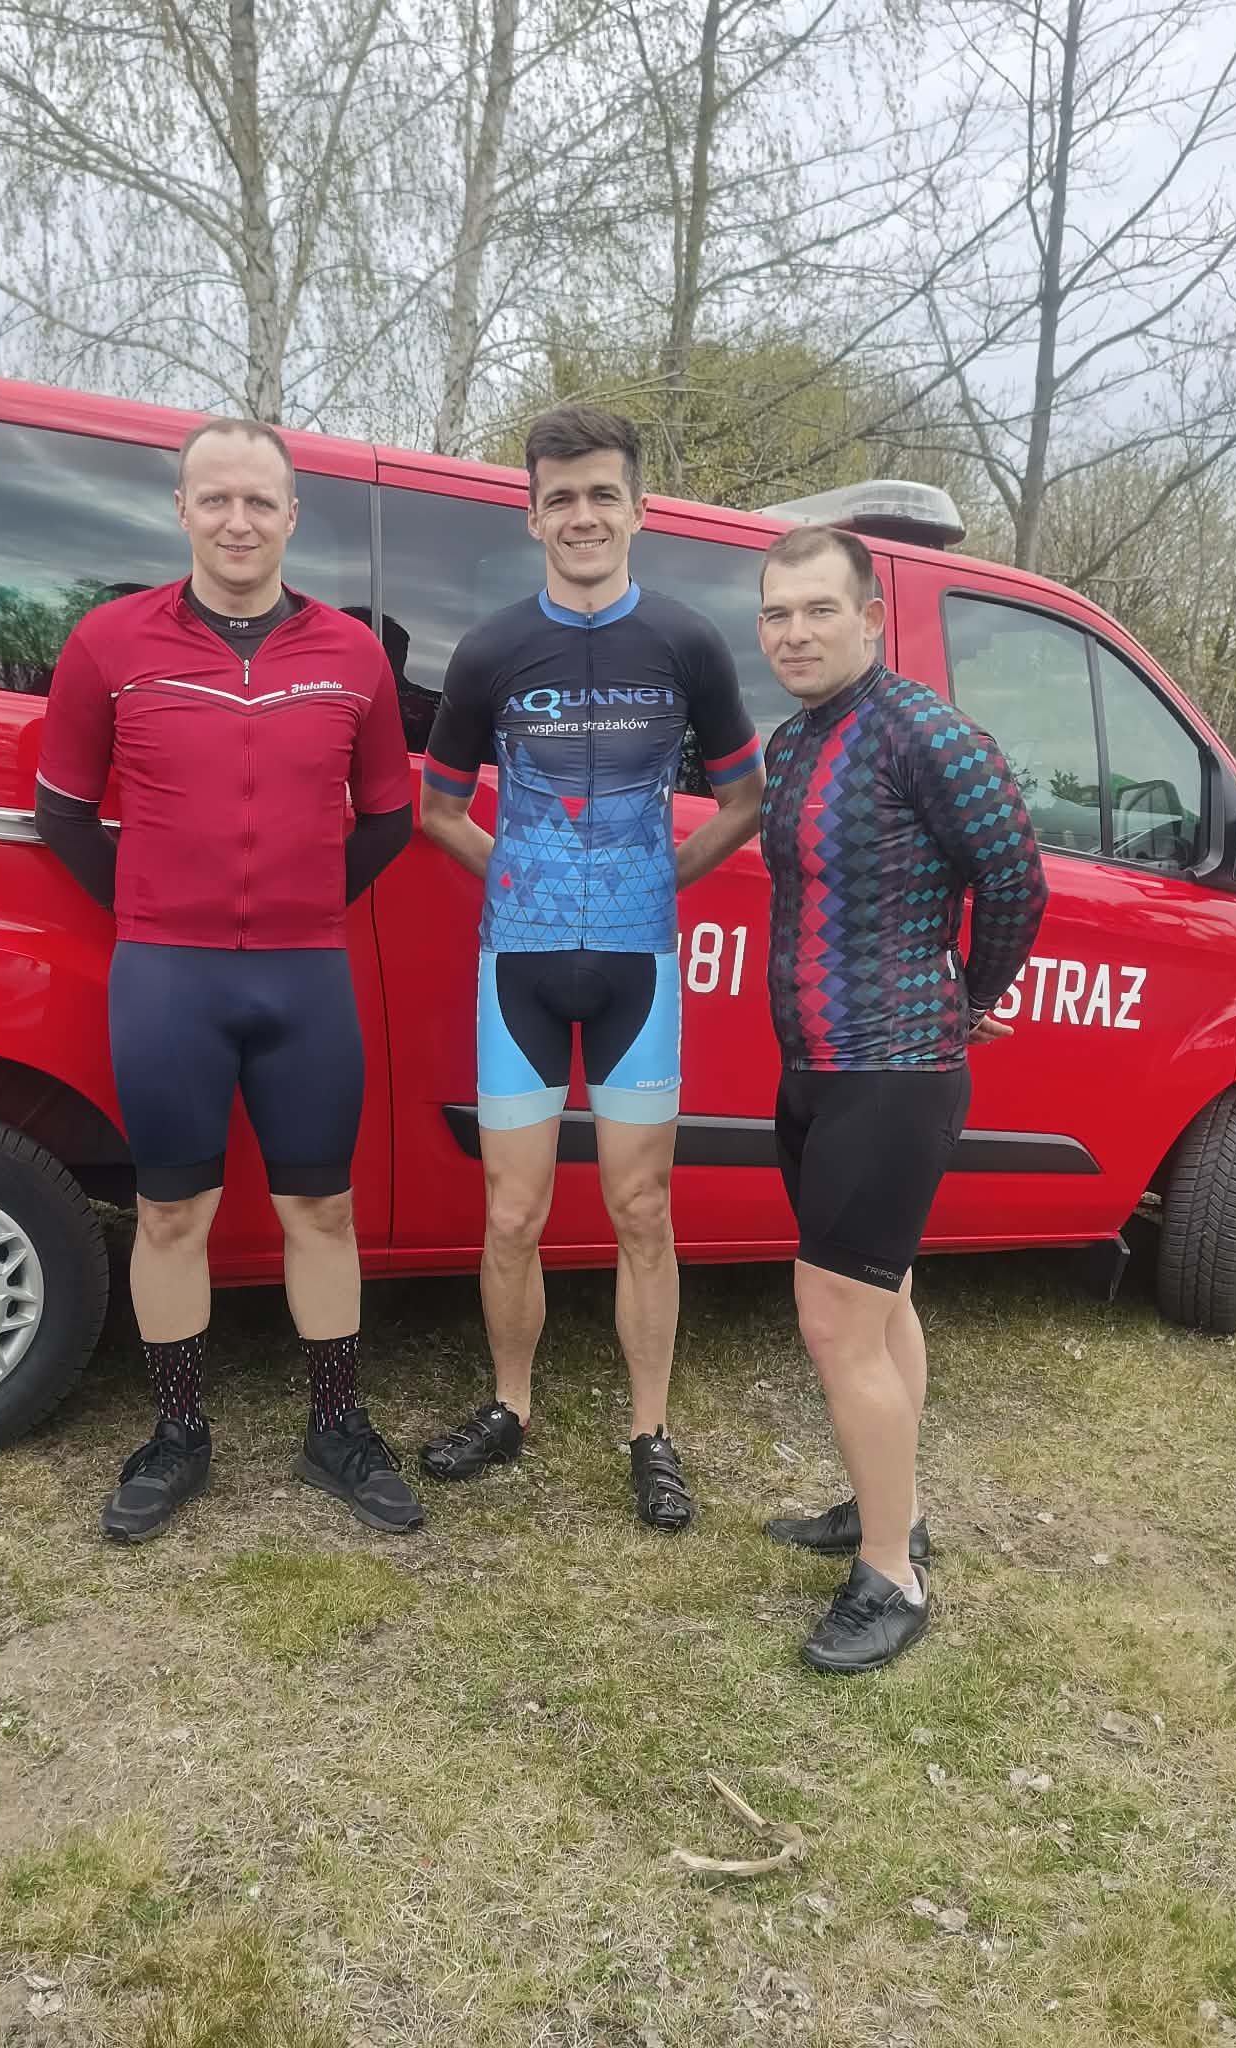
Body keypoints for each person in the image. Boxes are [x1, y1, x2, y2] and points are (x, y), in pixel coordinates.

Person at [35, 418, 423, 1542]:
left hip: (306, 974)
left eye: (260, 501)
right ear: (182, 511)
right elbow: (64, 811)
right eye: (216, 500)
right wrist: (154, 908)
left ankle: (336, 1426)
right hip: (169, 976)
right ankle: (177, 1434)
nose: (238, 521)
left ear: (293, 515)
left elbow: (390, 815)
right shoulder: (110, 642)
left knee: (324, 1205)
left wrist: (302, 901)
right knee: (170, 1212)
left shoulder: (351, 653)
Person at [415, 405, 766, 1527]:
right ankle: (510, 1405)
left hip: (637, 968)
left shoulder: (686, 642)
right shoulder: (489, 650)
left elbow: (746, 799)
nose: (582, 515)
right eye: (559, 497)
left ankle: (651, 1430)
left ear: (638, 508)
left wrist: (660, 878)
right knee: (511, 1213)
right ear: (532, 516)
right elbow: (436, 808)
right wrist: (518, 873)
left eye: (601, 494)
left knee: (641, 1206)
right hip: (517, 964)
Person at [754, 523, 1047, 1671]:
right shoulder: (794, 740)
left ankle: (892, 1576)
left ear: (871, 617)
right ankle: (895, 1509)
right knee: (883, 1303)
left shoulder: (927, 731)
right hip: (817, 1068)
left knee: (835, 1320)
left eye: (818, 609)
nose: (794, 632)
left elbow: (1014, 874)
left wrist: (973, 991)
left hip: (896, 1068)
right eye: (777, 612)